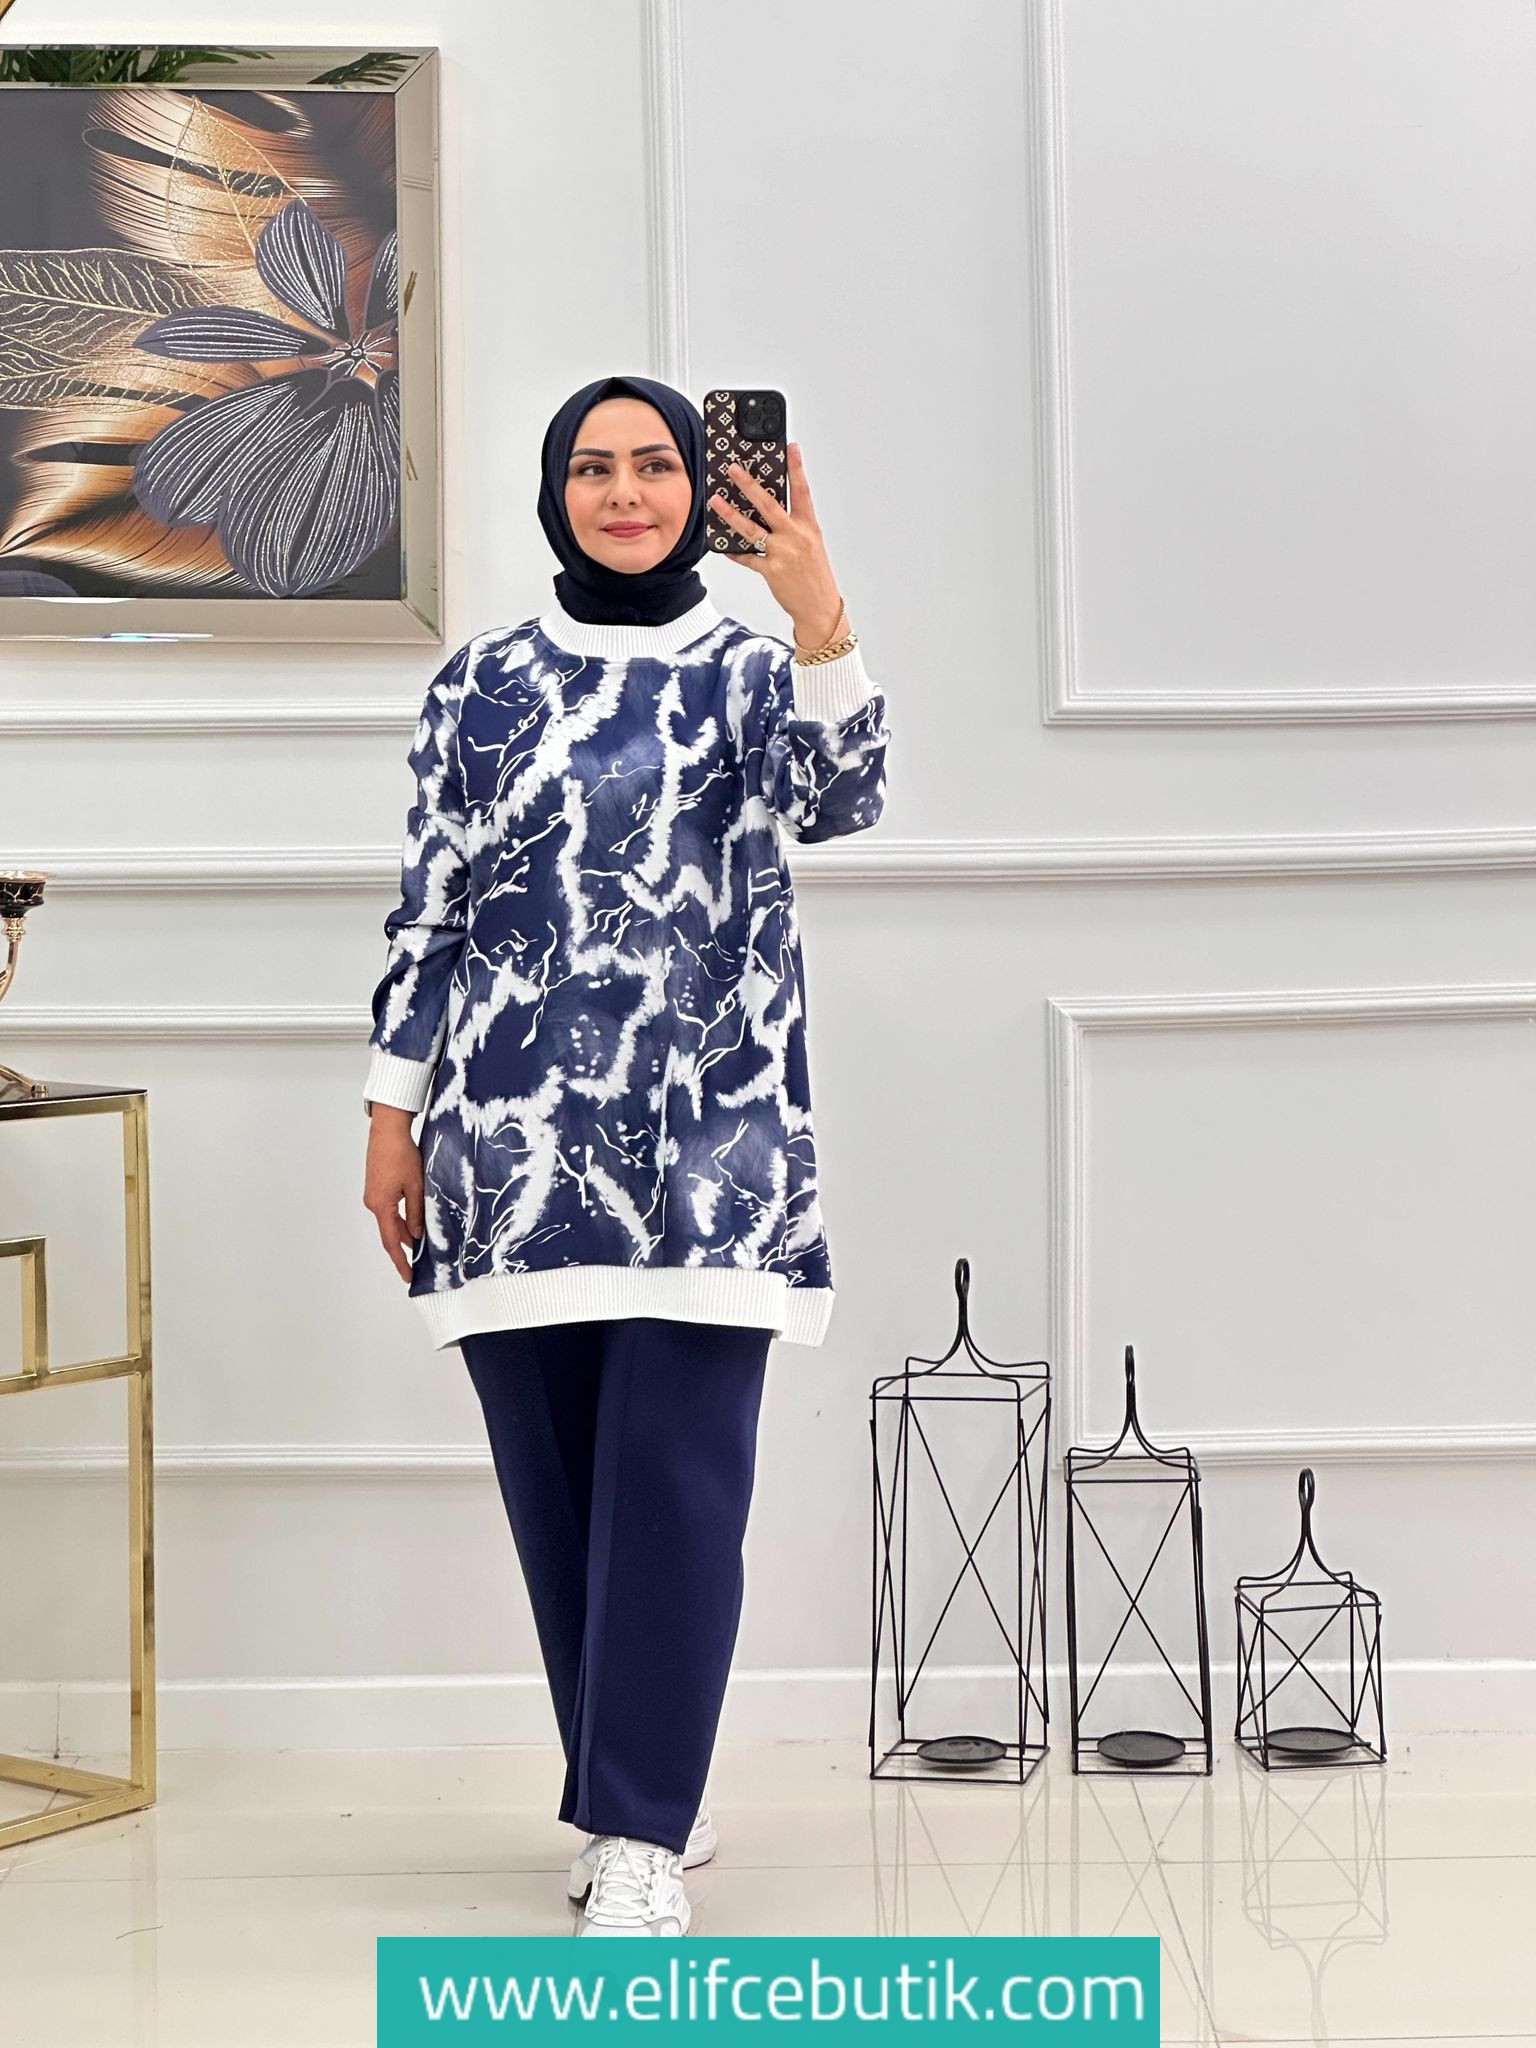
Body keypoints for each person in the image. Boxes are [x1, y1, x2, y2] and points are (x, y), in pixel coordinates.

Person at [360, 373, 891, 1935]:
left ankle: (639, 1830)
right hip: (508, 1149)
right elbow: (434, 909)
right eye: (593, 467)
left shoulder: (755, 668)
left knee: (678, 1490)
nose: (626, 492)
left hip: (713, 1156)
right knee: (563, 1497)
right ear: (556, 493)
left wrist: (818, 607)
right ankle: (642, 1787)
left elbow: (846, 801)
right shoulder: (482, 682)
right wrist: (391, 1111)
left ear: (698, 489)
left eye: (657, 464)